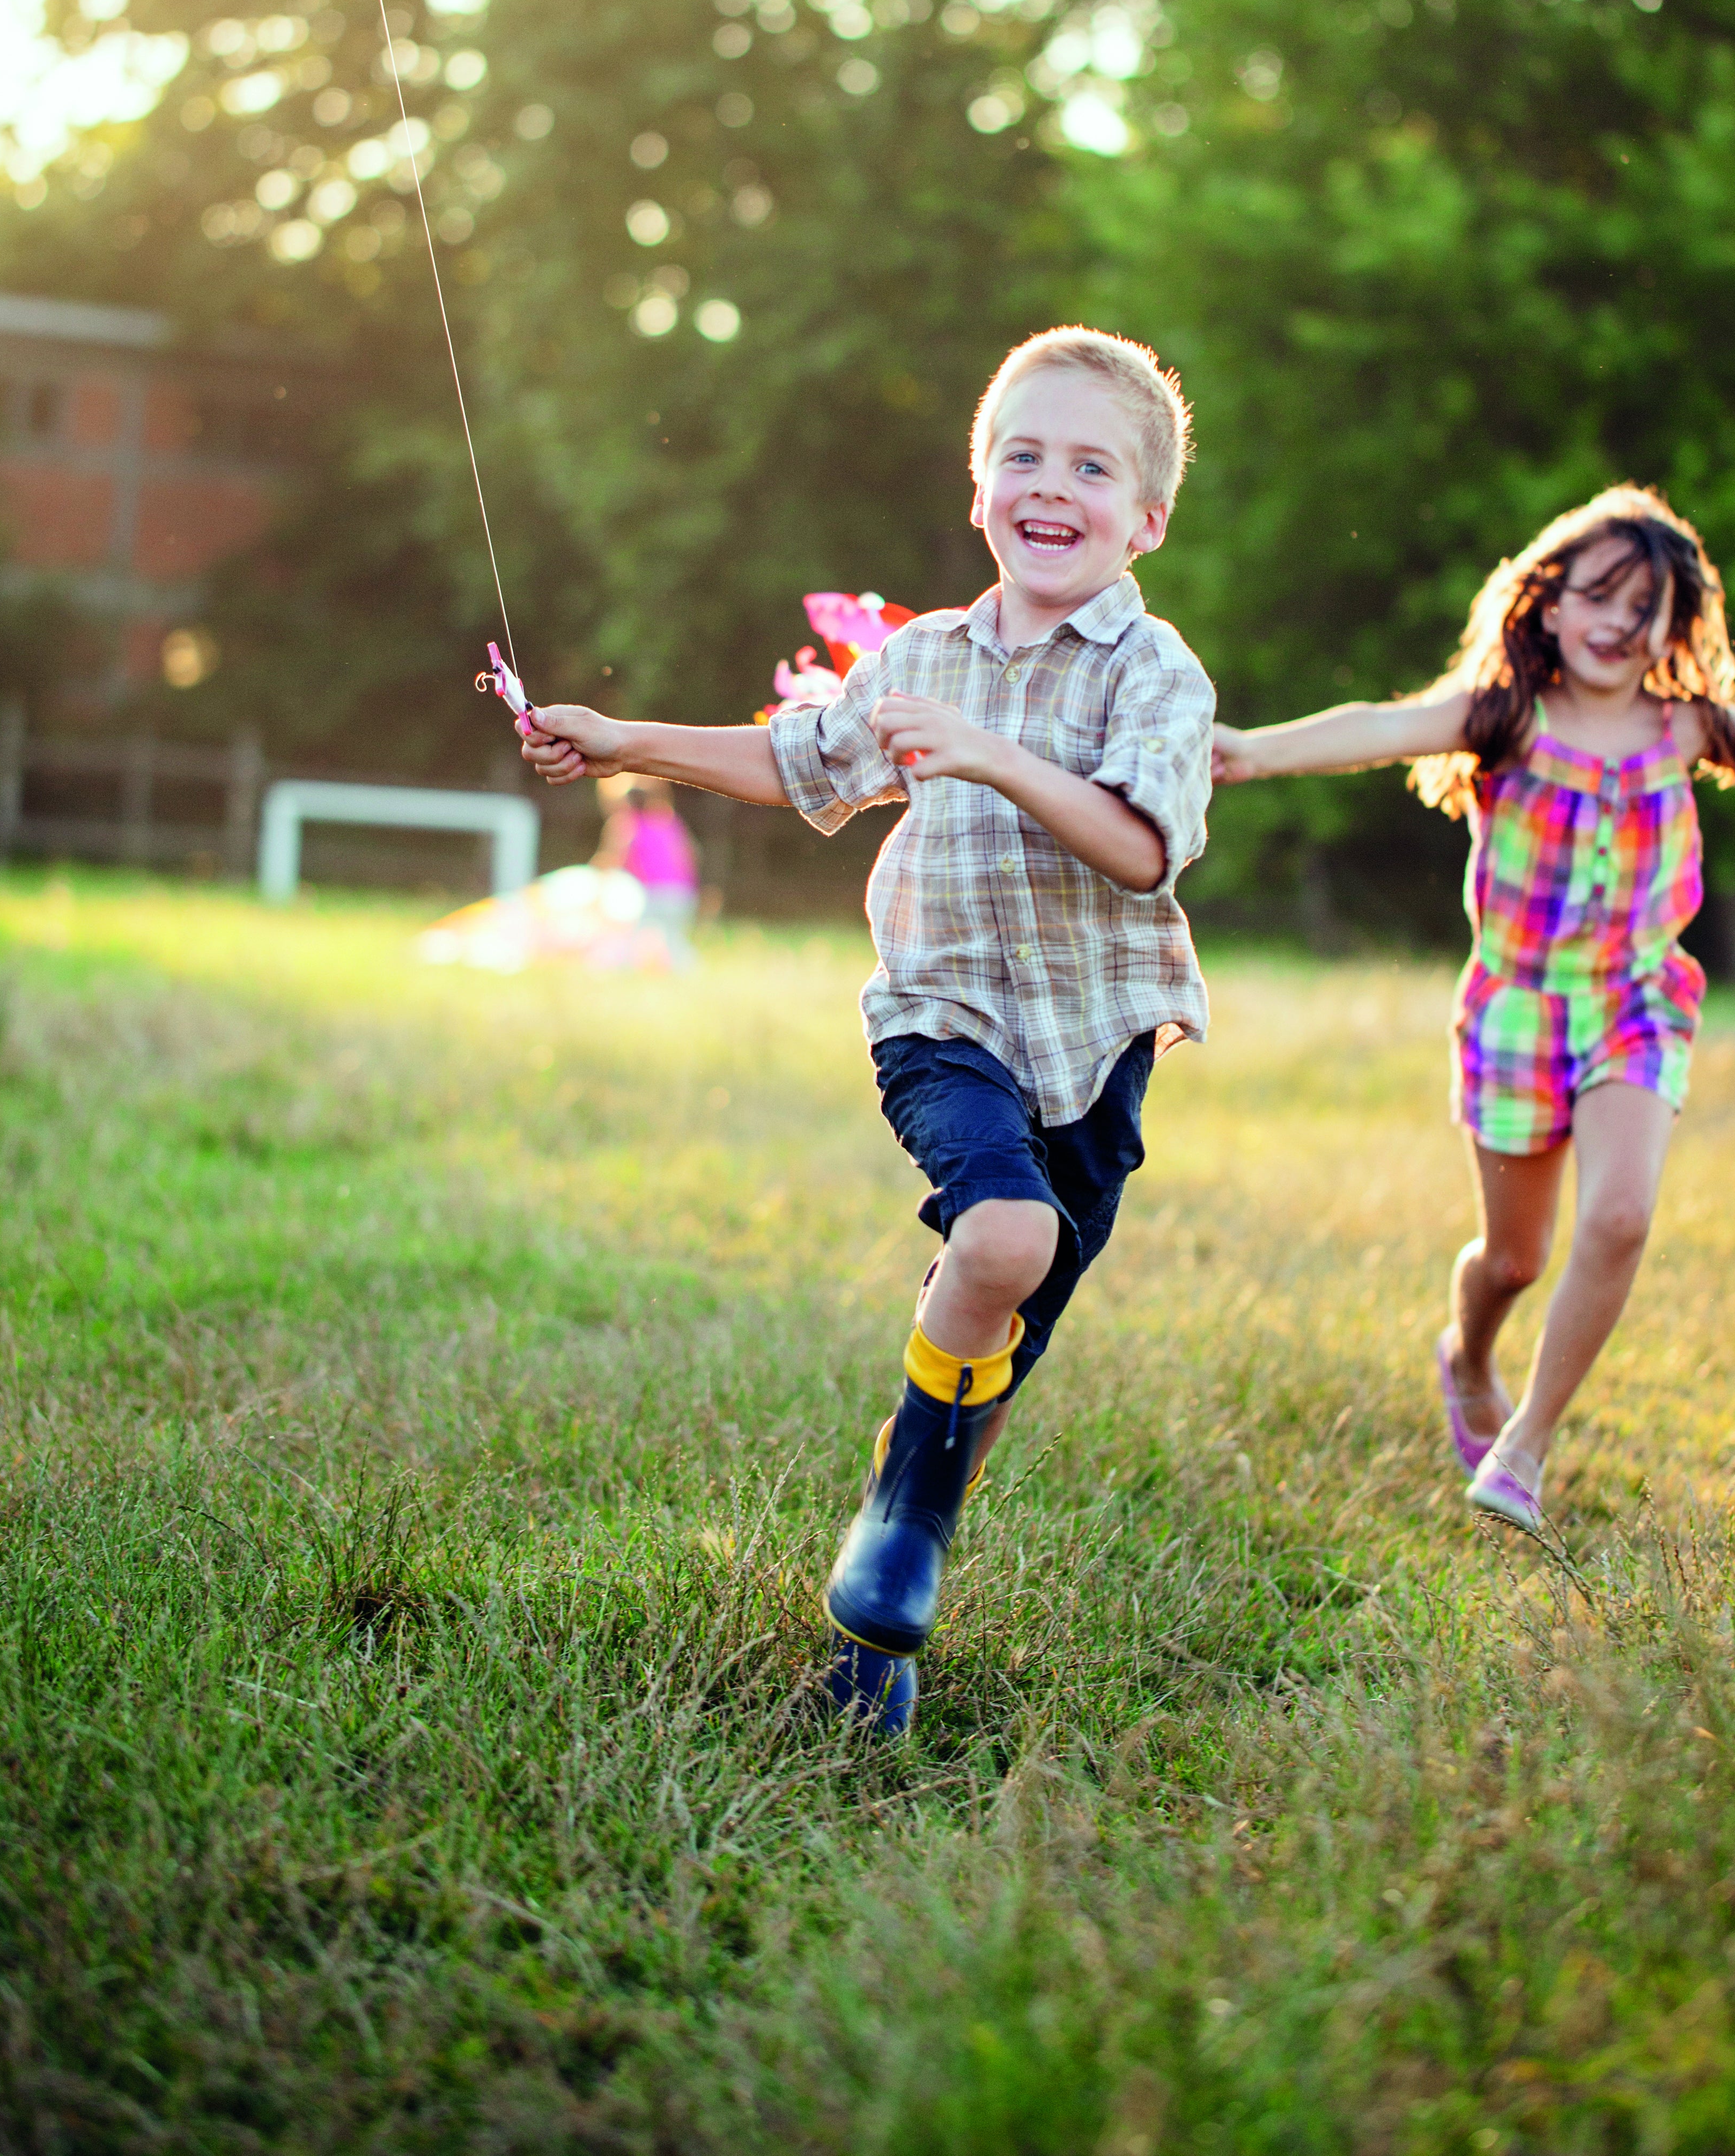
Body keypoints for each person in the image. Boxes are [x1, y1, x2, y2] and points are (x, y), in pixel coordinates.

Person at [518, 327, 1214, 1725]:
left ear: (1146, 518)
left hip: (1095, 1052)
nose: (1050, 485)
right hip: (941, 1021)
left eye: (1091, 464)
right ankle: (898, 1528)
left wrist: (996, 756)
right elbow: (797, 763)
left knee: (992, 1357)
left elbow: (1143, 849)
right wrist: (623, 736)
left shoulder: (1155, 675)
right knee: (1001, 1241)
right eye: (1023, 455)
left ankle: (879, 1623)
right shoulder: (922, 658)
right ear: (979, 490)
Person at [1212, 484, 1735, 1539]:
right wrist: (1254, 748)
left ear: (1675, 626)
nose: (1622, 623)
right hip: (1517, 1014)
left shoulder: (1687, 729)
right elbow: (1383, 727)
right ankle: (1468, 1354)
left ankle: (1524, 1448)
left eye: (1648, 606)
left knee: (1621, 1215)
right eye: (1602, 596)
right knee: (1513, 1259)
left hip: (1635, 1004)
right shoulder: (1506, 715)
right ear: (1550, 603)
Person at [594, 775, 701, 968]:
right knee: (673, 939)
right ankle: (687, 971)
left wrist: (597, 877)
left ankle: (615, 969)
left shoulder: (627, 824)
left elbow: (613, 859)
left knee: (627, 936)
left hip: (651, 895)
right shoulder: (670, 821)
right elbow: (691, 855)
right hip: (682, 894)